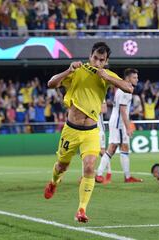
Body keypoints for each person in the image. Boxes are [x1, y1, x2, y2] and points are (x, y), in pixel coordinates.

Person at [43, 42, 134, 223]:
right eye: (95, 58)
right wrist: (68, 70)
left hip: (91, 131)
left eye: (101, 60)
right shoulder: (78, 70)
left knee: (90, 167)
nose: (97, 63)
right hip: (71, 130)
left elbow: (129, 88)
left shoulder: (106, 75)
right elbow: (51, 83)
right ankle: (54, 182)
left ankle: (81, 210)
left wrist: (107, 77)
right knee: (62, 166)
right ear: (90, 56)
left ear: (106, 61)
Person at [95, 68, 143, 184]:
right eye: (134, 77)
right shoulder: (126, 90)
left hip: (117, 122)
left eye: (137, 77)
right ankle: (100, 174)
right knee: (113, 148)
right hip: (119, 123)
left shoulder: (123, 89)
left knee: (119, 148)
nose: (137, 79)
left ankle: (126, 176)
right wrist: (128, 127)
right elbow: (122, 110)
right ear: (127, 78)